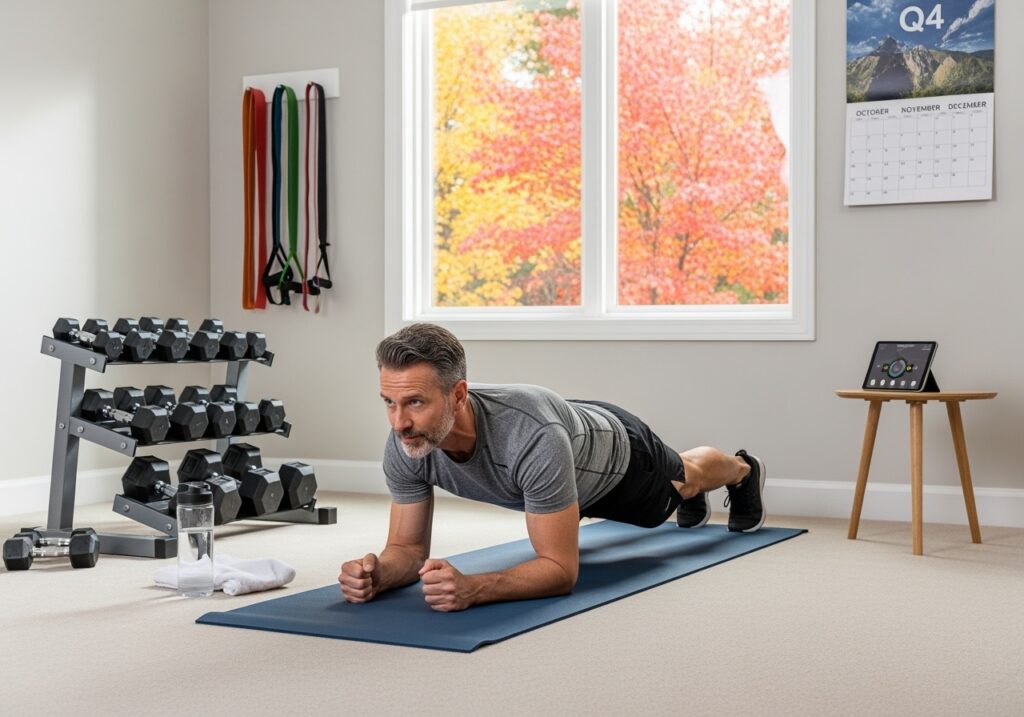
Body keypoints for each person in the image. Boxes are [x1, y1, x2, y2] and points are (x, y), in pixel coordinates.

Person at [338, 323, 765, 612]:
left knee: (685, 481)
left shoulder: (531, 437)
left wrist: (474, 588)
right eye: (389, 403)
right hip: (565, 433)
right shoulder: (407, 441)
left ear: (458, 395)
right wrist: (377, 575)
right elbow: (409, 551)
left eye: (415, 402)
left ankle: (743, 469)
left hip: (620, 456)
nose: (399, 422)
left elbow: (560, 571)